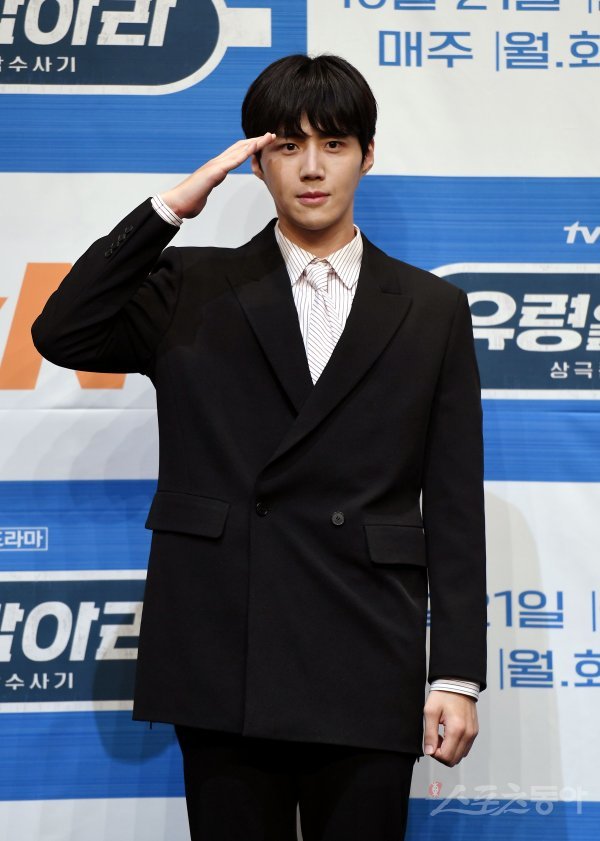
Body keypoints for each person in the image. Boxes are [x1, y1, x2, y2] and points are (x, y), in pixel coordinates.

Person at [31, 54, 487, 841]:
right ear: (255, 161)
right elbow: (61, 330)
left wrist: (456, 673)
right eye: (287, 145)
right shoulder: (190, 286)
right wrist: (169, 209)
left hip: (365, 646)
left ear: (367, 155)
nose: (311, 168)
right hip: (223, 648)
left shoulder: (432, 307)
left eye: (334, 144)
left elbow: (453, 503)